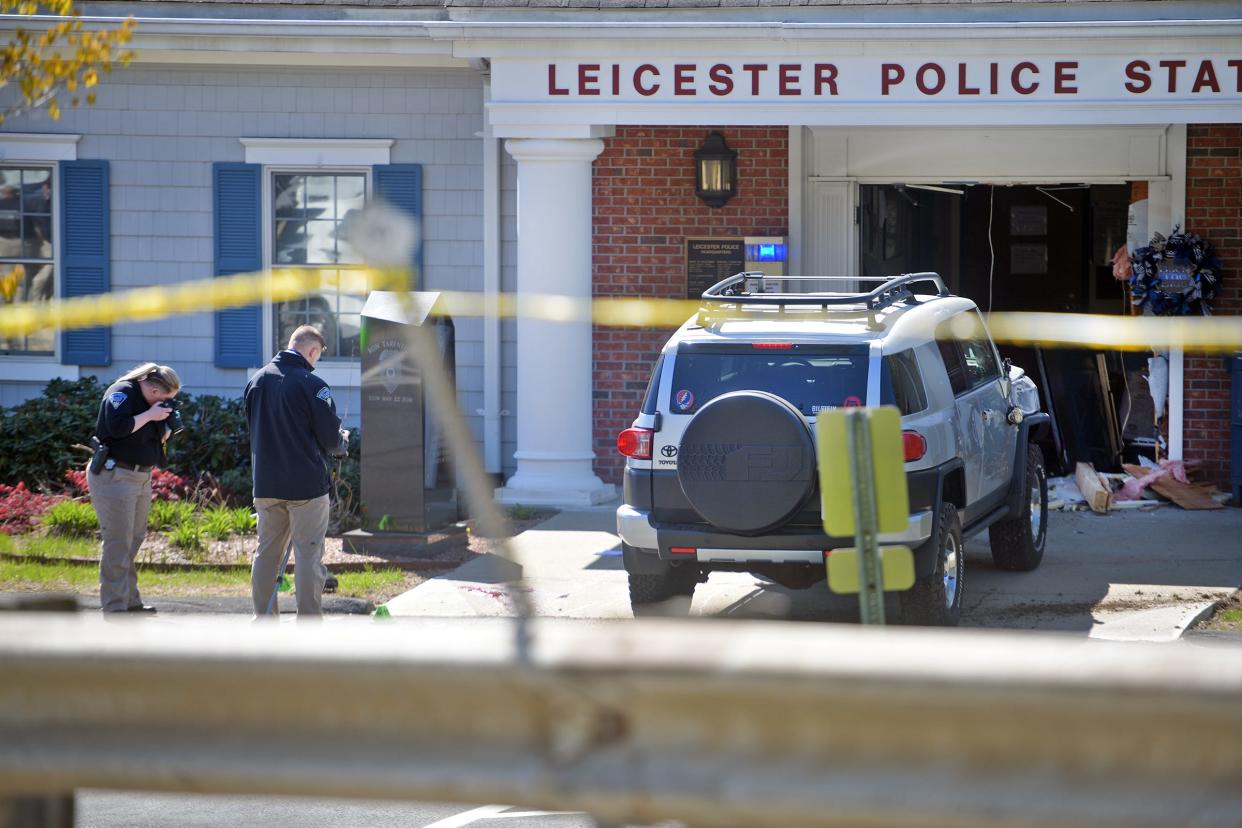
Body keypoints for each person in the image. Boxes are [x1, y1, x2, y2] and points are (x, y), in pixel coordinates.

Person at [245, 324, 348, 617]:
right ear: (313, 351)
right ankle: (308, 624)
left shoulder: (257, 381)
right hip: (306, 486)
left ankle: (264, 619)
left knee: (266, 553)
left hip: (265, 483)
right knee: (308, 554)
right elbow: (330, 440)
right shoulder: (313, 385)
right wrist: (342, 441)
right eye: (318, 356)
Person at [88, 363, 182, 614]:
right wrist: (151, 415)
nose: (166, 403)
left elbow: (148, 438)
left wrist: (164, 428)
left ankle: (130, 600)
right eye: (165, 398)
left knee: (134, 539)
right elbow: (118, 428)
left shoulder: (150, 403)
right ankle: (114, 606)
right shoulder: (122, 392)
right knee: (118, 541)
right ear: (152, 389)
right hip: (115, 474)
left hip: (140, 476)